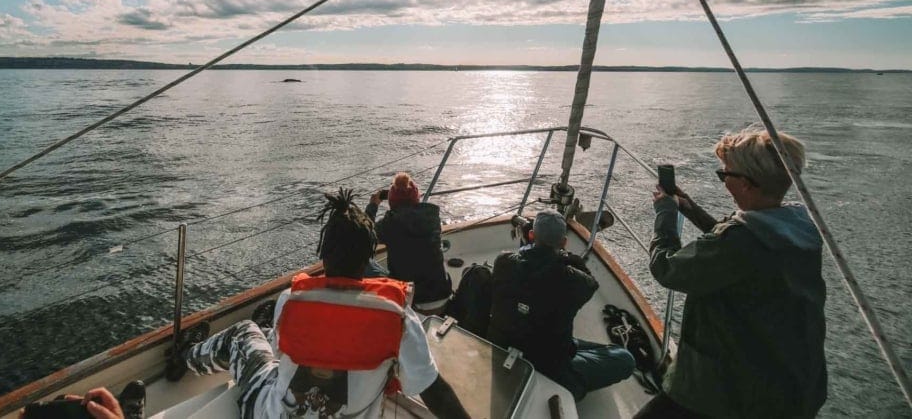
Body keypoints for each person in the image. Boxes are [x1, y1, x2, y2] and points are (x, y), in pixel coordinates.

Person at [167, 188, 470, 419]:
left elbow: (276, 360)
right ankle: (260, 328)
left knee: (244, 333)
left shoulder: (291, 301)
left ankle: (184, 357)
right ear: (368, 259)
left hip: (269, 413)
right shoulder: (398, 318)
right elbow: (437, 393)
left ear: (324, 256)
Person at [634, 127, 826, 419]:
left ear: (747, 184)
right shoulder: (797, 228)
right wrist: (689, 208)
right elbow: (732, 246)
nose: (723, 180)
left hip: (726, 393)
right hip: (785, 387)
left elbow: (667, 268)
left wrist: (665, 213)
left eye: (725, 174)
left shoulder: (742, 241)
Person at [488, 209, 635, 401]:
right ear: (564, 242)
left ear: (531, 235)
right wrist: (566, 257)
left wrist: (529, 245)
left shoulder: (503, 262)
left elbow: (526, 265)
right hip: (548, 366)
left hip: (505, 348)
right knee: (624, 358)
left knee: (565, 342)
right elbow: (591, 284)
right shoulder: (573, 281)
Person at [365, 172, 451, 313]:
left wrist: (373, 206)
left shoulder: (389, 224)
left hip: (411, 300)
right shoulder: (433, 216)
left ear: (392, 201)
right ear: (416, 197)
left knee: (365, 263)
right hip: (442, 294)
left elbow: (364, 234)